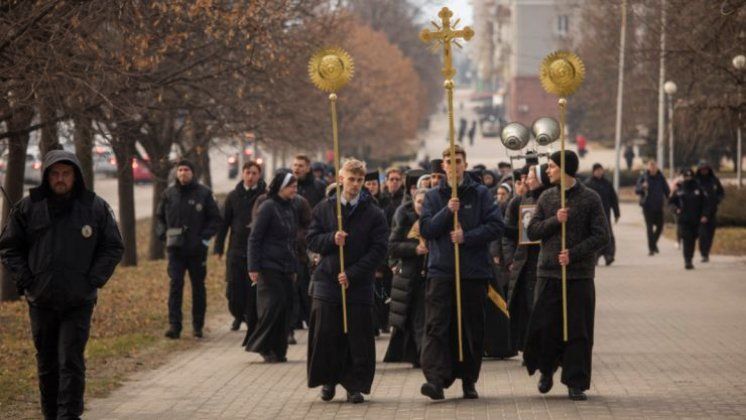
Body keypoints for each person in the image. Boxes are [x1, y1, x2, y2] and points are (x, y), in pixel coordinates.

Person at [0, 149, 124, 420]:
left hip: (78, 300)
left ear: (75, 176)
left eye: (66, 173)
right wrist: (26, 281)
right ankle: (51, 414)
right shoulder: (28, 207)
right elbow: (9, 248)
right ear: (46, 176)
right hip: (41, 299)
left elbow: (113, 246)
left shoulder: (94, 207)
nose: (60, 179)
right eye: (55, 173)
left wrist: (93, 280)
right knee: (46, 364)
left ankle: (69, 415)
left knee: (70, 361)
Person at [419, 145, 505, 400]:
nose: (453, 165)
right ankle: (435, 379)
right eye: (448, 161)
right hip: (442, 271)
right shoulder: (434, 196)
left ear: (464, 165)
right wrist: (448, 211)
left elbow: (496, 226)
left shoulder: (480, 194)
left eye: (457, 161)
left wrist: (466, 236)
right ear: (442, 166)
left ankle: (469, 379)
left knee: (471, 328)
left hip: (472, 272)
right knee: (437, 326)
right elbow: (426, 229)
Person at [523, 150, 609, 401]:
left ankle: (576, 381)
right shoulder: (547, 197)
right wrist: (554, 220)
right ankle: (546, 370)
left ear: (564, 168)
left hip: (579, 276)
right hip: (549, 273)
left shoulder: (590, 198)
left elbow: (602, 235)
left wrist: (574, 253)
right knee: (545, 327)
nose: (547, 170)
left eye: (551, 166)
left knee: (578, 330)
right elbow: (533, 230)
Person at [306, 159, 389, 404]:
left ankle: (354, 384)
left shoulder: (373, 213)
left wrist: (353, 273)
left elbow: (379, 249)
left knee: (358, 337)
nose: (354, 184)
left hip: (359, 284)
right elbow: (311, 239)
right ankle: (328, 380)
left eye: (359, 180)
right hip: (327, 283)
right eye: (350, 179)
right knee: (327, 335)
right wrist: (332, 238)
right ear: (340, 179)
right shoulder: (324, 208)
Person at [156, 159, 222, 339]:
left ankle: (197, 325)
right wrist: (163, 234)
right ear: (176, 173)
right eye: (180, 170)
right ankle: (174, 326)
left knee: (198, 287)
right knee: (175, 285)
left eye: (186, 170)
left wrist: (204, 239)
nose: (183, 173)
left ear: (193, 173)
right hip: (175, 250)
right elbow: (159, 218)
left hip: (197, 250)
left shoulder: (204, 193)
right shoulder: (169, 194)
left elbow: (215, 219)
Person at [244, 171, 299, 362]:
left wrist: (294, 267)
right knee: (273, 306)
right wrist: (253, 267)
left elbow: (291, 240)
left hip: (286, 266)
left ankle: (278, 349)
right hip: (268, 266)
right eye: (291, 185)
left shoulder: (290, 208)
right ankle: (262, 346)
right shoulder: (267, 207)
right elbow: (255, 238)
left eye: (296, 186)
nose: (295, 189)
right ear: (281, 187)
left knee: (285, 307)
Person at [502, 163, 551, 355]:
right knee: (522, 307)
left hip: (545, 260)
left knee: (540, 306)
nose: (526, 181)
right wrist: (509, 259)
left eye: (530, 177)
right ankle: (527, 347)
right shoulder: (518, 202)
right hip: (524, 262)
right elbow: (509, 235)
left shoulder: (551, 199)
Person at [214, 161, 266, 333]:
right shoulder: (233, 196)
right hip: (236, 249)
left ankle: (252, 319)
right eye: (247, 173)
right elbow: (223, 224)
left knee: (252, 289)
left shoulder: (264, 197)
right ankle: (238, 314)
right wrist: (218, 248)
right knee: (234, 290)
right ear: (242, 174)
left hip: (257, 250)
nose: (250, 176)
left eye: (254, 173)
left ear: (259, 175)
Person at [384, 188, 428, 366]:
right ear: (413, 202)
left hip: (431, 274)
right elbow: (392, 246)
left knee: (424, 318)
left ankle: (424, 354)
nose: (422, 206)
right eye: (419, 202)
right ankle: (419, 355)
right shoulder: (405, 218)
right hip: (410, 276)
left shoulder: (434, 219)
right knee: (415, 318)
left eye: (426, 203)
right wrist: (414, 249)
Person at [669, 169, 712, 269]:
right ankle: (687, 260)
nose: (688, 179)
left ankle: (690, 257)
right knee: (687, 239)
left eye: (690, 177)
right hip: (684, 220)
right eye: (686, 177)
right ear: (683, 177)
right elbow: (671, 202)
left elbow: (706, 204)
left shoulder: (699, 189)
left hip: (696, 219)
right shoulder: (679, 189)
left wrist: (705, 215)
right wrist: (676, 210)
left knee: (692, 240)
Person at [585, 163, 620, 265]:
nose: (600, 172)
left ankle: (609, 255)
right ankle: (595, 256)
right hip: (592, 215)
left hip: (605, 214)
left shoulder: (607, 184)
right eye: (598, 170)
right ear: (594, 171)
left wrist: (617, 213)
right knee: (594, 235)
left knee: (608, 235)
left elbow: (613, 199)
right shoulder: (588, 184)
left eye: (601, 170)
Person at [635, 160, 670, 256]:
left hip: (658, 206)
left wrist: (670, 200)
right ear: (648, 168)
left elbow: (667, 191)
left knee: (660, 226)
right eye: (651, 166)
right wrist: (642, 187)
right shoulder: (644, 177)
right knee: (649, 228)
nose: (653, 168)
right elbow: (637, 190)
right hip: (647, 206)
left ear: (657, 167)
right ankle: (651, 249)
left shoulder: (661, 178)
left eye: (654, 166)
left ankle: (653, 243)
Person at [694, 161, 724, 262]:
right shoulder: (696, 181)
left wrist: (718, 200)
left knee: (710, 234)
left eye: (706, 169)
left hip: (712, 211)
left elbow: (721, 192)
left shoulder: (714, 180)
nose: (704, 171)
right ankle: (703, 254)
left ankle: (706, 252)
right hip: (699, 212)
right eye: (702, 169)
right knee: (702, 234)